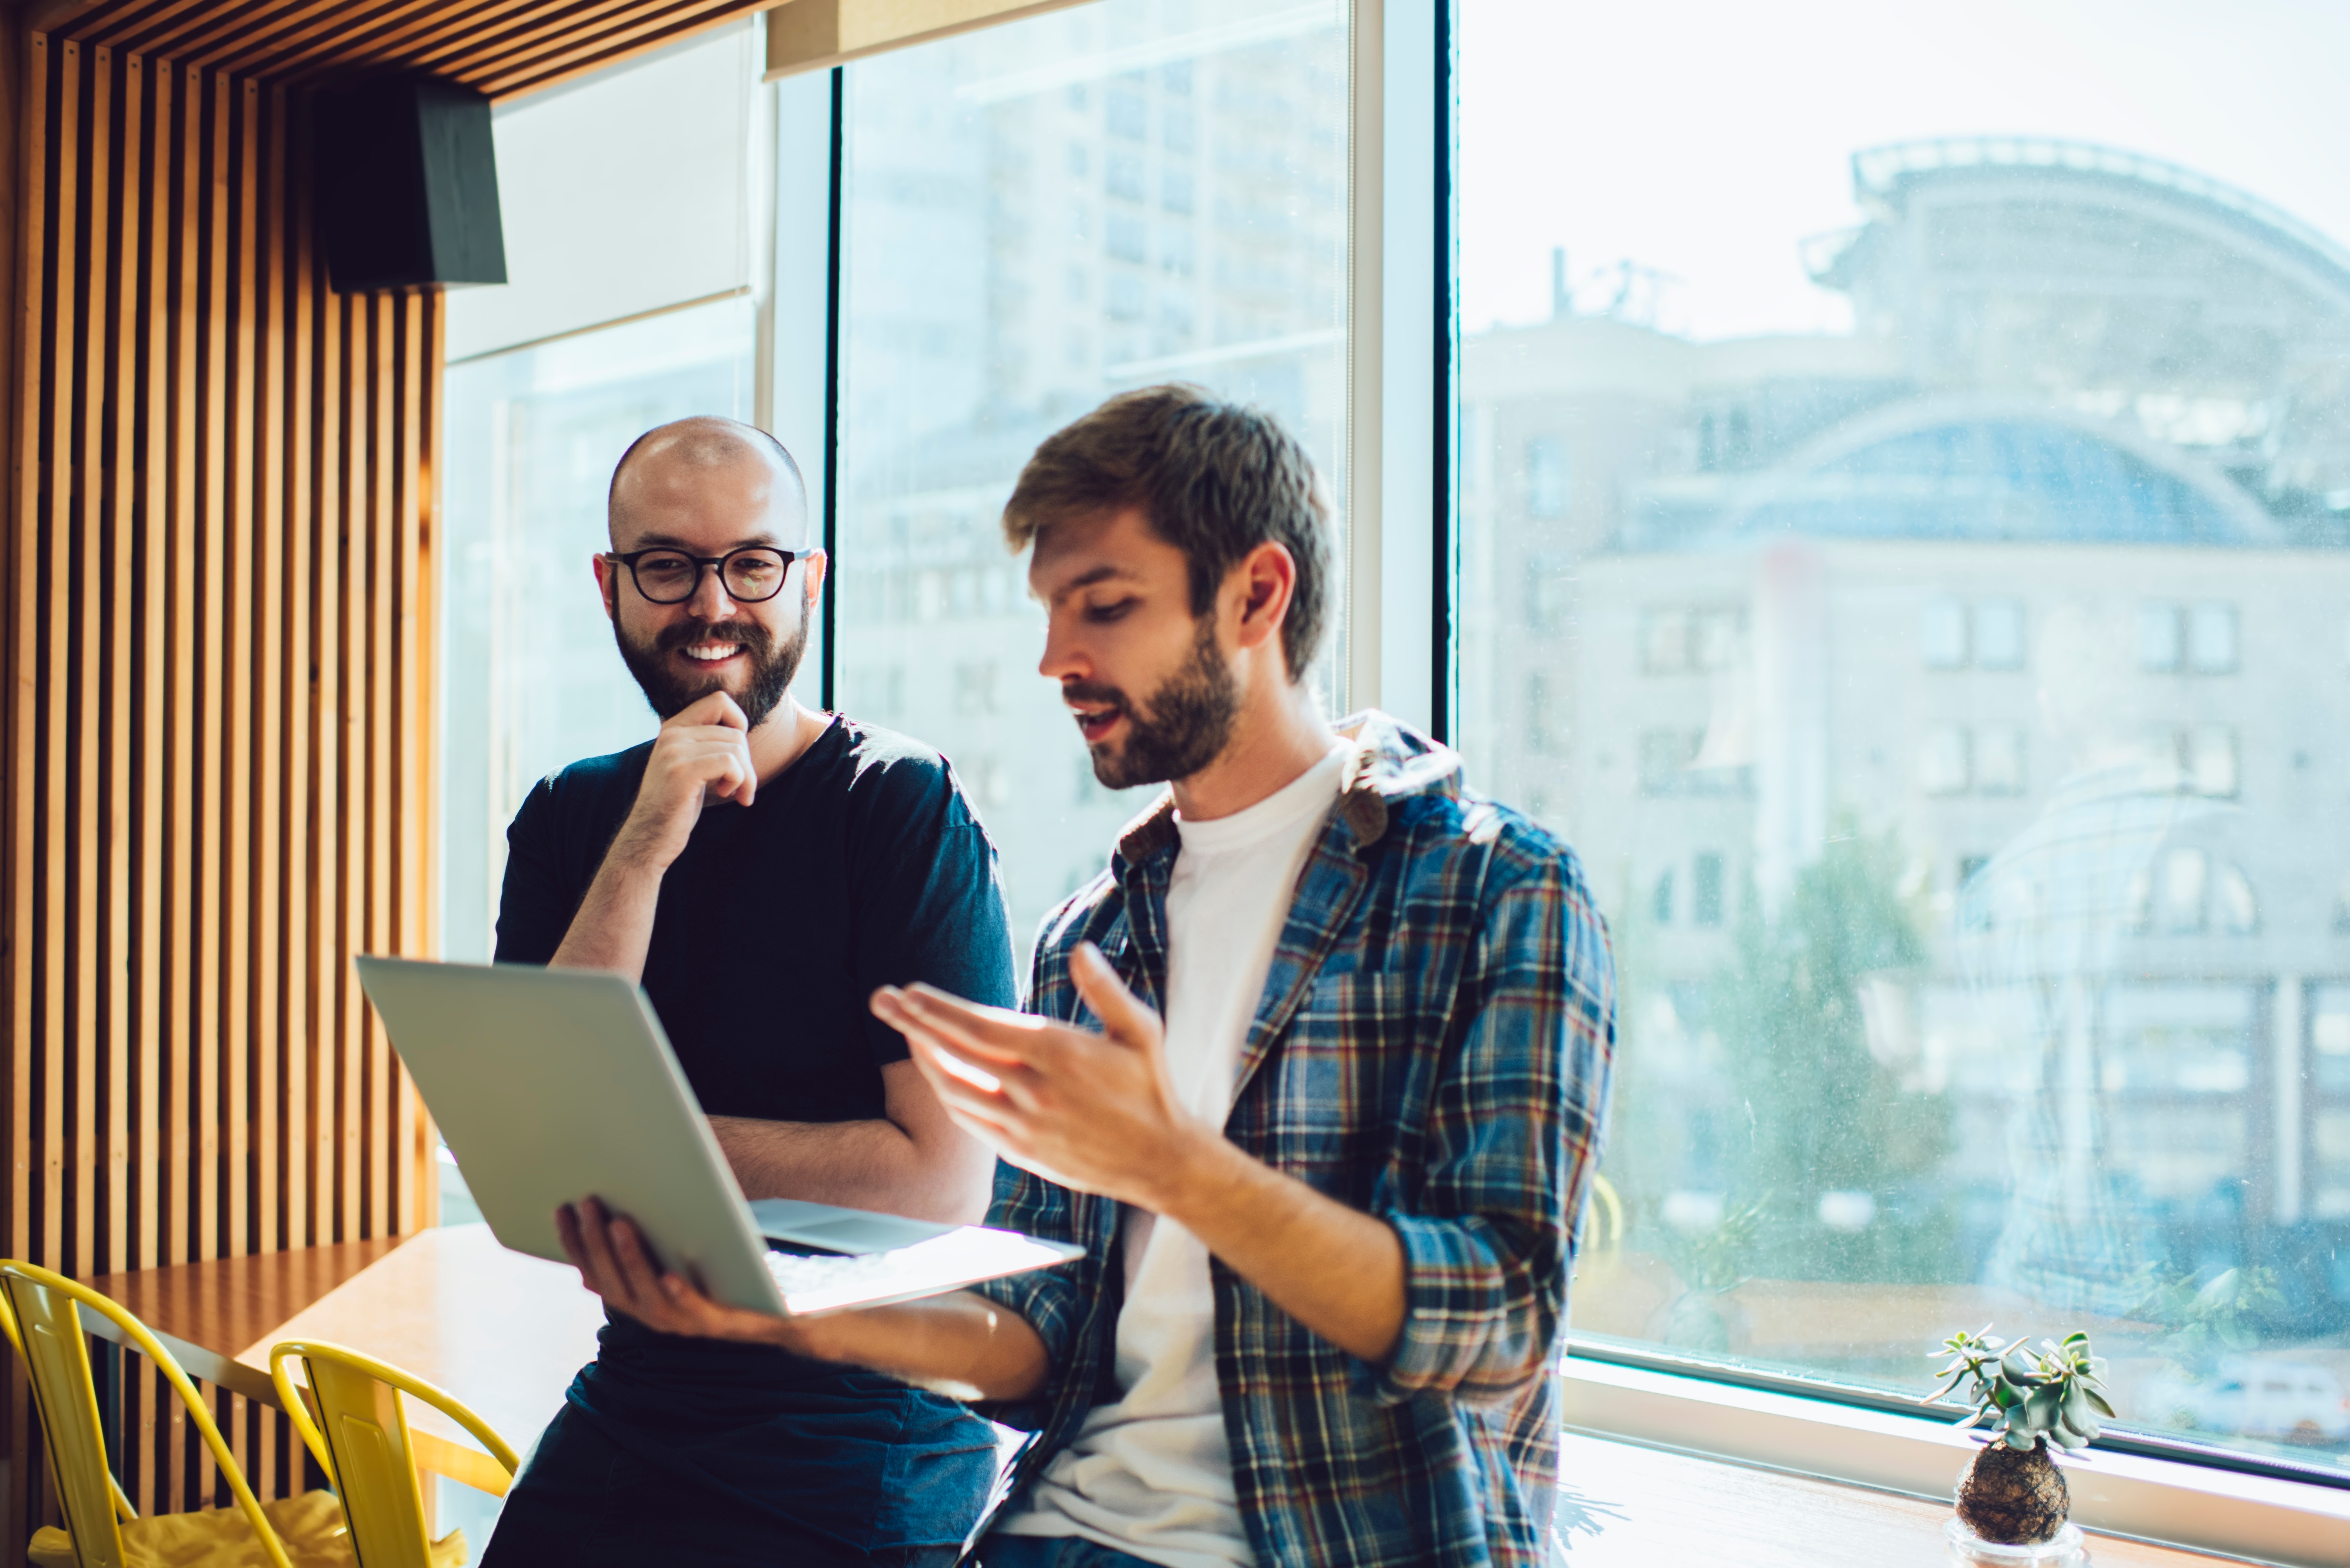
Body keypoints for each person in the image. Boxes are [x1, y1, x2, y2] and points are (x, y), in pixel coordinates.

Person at [560, 386, 1617, 1568]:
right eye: (1052, 612)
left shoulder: (1494, 891)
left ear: (1259, 596)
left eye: (1104, 608)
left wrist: (1181, 1169)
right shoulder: (1096, 938)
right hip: (1056, 1533)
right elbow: (1049, 1345)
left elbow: (1501, 1325)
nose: (1057, 659)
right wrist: (794, 1315)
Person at [482, 416, 1014, 1568]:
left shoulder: (900, 808)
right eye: (668, 565)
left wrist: (628, 1144)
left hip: (863, 1420)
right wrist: (644, 847)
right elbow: (535, 1162)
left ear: (808, 580)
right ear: (611, 585)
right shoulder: (572, 819)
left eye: (753, 564)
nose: (713, 604)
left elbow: (937, 1185)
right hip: (639, 1392)